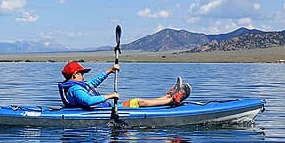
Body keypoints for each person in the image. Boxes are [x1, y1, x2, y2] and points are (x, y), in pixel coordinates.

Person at [58, 60, 191, 110]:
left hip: (107, 109)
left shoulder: (78, 85)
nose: (83, 75)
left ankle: (168, 96)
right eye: (81, 73)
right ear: (75, 75)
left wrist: (109, 71)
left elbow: (92, 83)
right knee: (139, 102)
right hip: (106, 112)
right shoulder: (75, 89)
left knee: (137, 101)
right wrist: (110, 96)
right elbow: (88, 101)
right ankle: (172, 100)